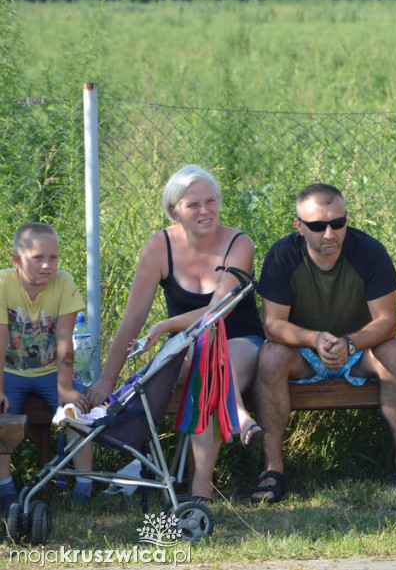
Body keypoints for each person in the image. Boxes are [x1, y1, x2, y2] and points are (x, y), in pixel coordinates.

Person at [86, 165, 265, 501]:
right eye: (193, 205)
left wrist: (167, 325)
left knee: (207, 361)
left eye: (211, 201)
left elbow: (217, 311)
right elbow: (133, 319)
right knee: (201, 356)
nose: (205, 211)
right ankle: (239, 422)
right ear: (174, 210)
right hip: (189, 346)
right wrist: (107, 381)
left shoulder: (240, 243)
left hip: (240, 341)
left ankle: (200, 490)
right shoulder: (159, 246)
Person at [250, 182, 396, 501]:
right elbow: (272, 325)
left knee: (395, 352)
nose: (330, 234)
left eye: (338, 223)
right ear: (299, 227)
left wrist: (349, 343)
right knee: (270, 356)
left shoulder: (370, 251)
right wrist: (314, 339)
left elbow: (387, 322)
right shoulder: (282, 254)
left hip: (358, 350)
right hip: (302, 352)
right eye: (317, 226)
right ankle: (272, 469)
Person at [1, 223, 93, 510]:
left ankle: (85, 485)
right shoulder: (3, 283)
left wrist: (65, 388)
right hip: (10, 372)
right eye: (38, 257)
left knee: (78, 413)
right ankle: (5, 488)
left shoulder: (63, 282)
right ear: (17, 260)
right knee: (1, 418)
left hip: (52, 372)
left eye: (53, 257)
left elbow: (66, 337)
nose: (47, 265)